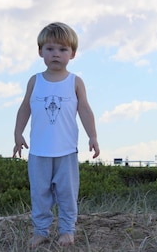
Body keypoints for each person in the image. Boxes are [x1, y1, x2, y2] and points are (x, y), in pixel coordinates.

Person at [12, 22, 100, 248]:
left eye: (62, 50)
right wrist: (18, 134)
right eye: (50, 49)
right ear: (40, 51)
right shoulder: (35, 81)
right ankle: (41, 231)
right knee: (39, 194)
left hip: (66, 151)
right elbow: (25, 108)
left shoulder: (75, 82)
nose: (56, 54)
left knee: (66, 194)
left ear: (72, 53)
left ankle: (67, 231)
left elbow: (85, 109)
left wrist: (93, 136)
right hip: (39, 152)